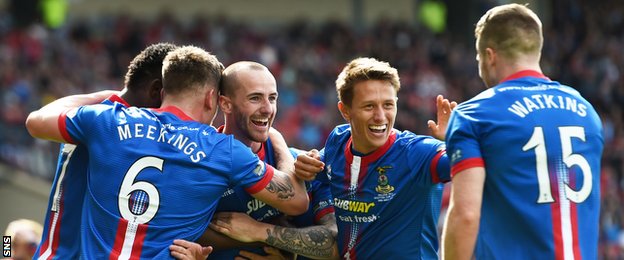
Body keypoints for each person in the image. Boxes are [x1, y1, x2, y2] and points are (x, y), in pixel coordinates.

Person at [25, 45, 309, 259]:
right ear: (213, 99)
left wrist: (110, 98)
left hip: (55, 253)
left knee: (8, 243)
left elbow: (35, 121)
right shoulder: (222, 150)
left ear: (163, 92)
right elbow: (296, 202)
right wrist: (277, 139)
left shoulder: (105, 119)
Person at [441, 4, 604, 260]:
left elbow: (466, 215)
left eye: (478, 57)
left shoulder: (474, 115)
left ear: (490, 55)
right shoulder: (586, 111)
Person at [294, 57, 455, 259]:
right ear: (345, 111)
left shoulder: (417, 153)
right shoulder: (338, 142)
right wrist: (305, 165)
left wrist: (457, 143)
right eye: (369, 106)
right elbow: (320, 166)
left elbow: (461, 164)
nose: (380, 116)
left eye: (388, 105)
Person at [34, 42, 178, 260]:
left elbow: (41, 116)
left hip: (56, 254)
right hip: (70, 255)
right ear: (157, 90)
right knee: (6, 244)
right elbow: (34, 122)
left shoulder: (93, 116)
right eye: (175, 97)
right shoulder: (113, 125)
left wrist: (101, 96)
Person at [197, 61, 338, 259]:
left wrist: (260, 231)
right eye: (255, 98)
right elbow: (183, 235)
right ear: (225, 104)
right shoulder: (200, 167)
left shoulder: (305, 166)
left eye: (272, 98)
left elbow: (334, 244)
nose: (267, 109)